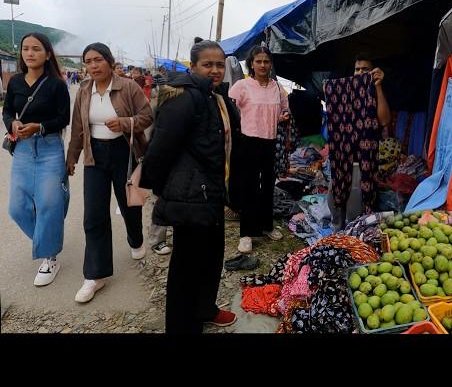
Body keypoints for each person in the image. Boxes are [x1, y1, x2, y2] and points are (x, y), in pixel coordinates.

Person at [140, 37, 240, 333]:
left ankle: (205, 308)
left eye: (220, 65)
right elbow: (161, 146)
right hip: (190, 195)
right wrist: (158, 189)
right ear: (193, 66)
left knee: (212, 256)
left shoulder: (217, 95)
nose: (215, 70)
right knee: (186, 265)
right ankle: (182, 325)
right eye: (207, 64)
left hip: (213, 191)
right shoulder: (185, 96)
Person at [66, 42, 153, 303]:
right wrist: (72, 157)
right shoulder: (83, 90)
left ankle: (136, 240)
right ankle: (95, 275)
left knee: (130, 205)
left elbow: (147, 115)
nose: (93, 65)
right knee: (94, 215)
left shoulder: (128, 86)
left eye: (98, 60)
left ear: (110, 61)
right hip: (95, 156)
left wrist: (126, 123)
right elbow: (78, 127)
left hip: (123, 152)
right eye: (88, 61)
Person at [2, 32, 71, 286]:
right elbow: (8, 110)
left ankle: (50, 256)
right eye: (26, 48)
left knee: (50, 204)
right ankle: (47, 240)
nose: (29, 53)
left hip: (50, 148)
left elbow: (64, 119)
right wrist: (13, 122)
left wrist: (39, 126)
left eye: (36, 49)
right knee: (17, 207)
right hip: (22, 149)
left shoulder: (57, 84)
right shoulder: (16, 82)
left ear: (48, 54)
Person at [229, 45, 289, 254]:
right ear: (251, 64)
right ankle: (246, 233)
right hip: (248, 142)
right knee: (249, 187)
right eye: (258, 61)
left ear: (270, 64)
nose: (263, 65)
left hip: (270, 142)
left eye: (266, 61)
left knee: (268, 187)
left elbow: (284, 109)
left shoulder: (276, 87)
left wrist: (283, 117)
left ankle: (266, 226)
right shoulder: (242, 86)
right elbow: (229, 110)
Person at [327, 52, 392, 232]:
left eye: (366, 69)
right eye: (358, 69)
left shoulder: (375, 92)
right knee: (336, 199)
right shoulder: (343, 91)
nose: (361, 73)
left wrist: (378, 87)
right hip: (341, 160)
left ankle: (354, 238)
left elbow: (385, 120)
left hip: (363, 162)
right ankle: (337, 236)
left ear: (373, 72)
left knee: (358, 206)